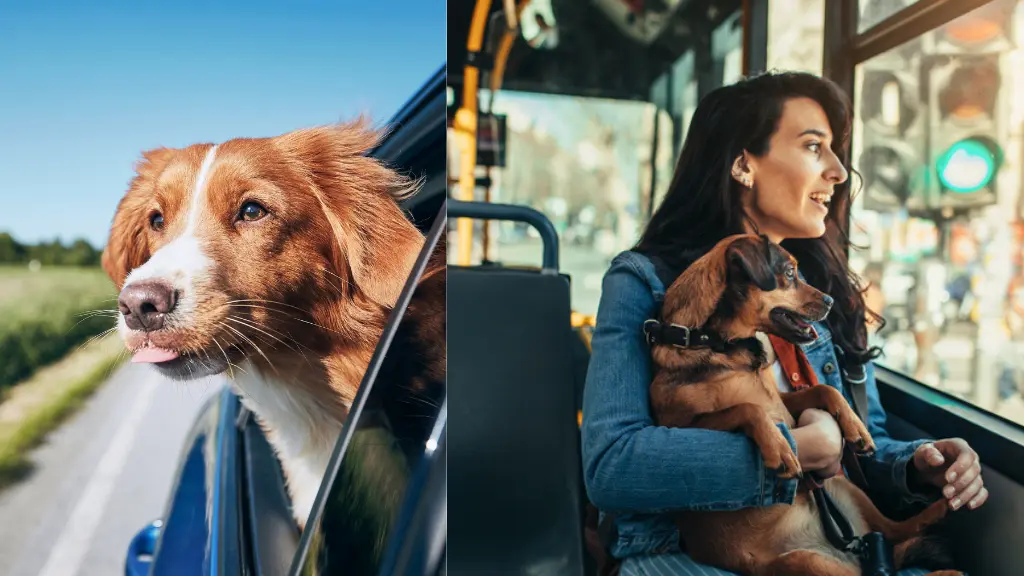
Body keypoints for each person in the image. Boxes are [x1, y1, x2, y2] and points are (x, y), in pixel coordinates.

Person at [580, 71, 988, 576]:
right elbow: (613, 467)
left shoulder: (819, 292)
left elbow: (864, 441)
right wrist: (793, 450)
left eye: (836, 151)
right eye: (815, 147)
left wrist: (920, 462)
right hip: (688, 550)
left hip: (828, 535)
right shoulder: (645, 281)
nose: (839, 171)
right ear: (743, 164)